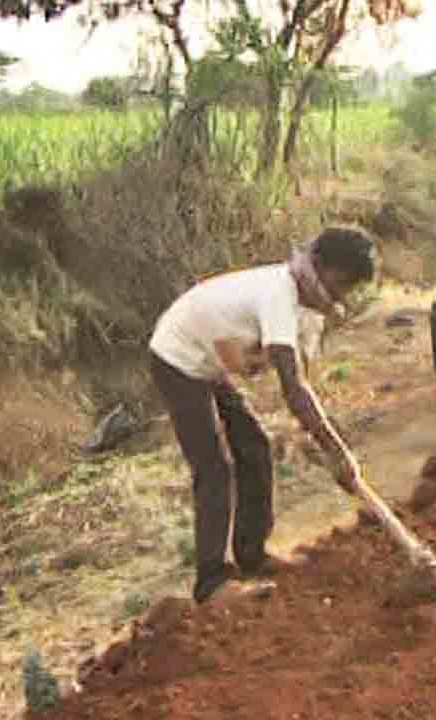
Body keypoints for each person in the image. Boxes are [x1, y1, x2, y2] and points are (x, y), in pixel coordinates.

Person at [148, 227, 375, 605]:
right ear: (318, 266)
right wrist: (338, 452)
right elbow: (293, 388)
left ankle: (251, 556)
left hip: (209, 360)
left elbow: (302, 382)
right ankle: (212, 583)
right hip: (177, 357)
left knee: (254, 445)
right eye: (342, 282)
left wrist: (324, 443)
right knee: (215, 467)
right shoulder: (279, 296)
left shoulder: (305, 306)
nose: (341, 295)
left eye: (350, 288)